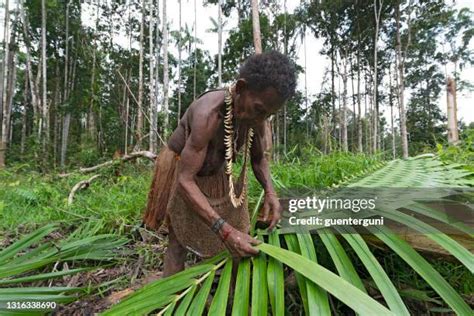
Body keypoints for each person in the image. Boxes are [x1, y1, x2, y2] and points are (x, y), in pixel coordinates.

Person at [143, 50, 297, 277]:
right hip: (182, 168)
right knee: (178, 241)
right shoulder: (208, 114)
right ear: (242, 88)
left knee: (239, 230)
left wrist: (270, 192)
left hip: (217, 171)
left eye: (267, 115)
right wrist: (225, 231)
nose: (260, 120)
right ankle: (172, 304)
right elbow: (185, 180)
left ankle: (232, 297)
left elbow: (258, 159)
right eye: (259, 110)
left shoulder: (255, 117)